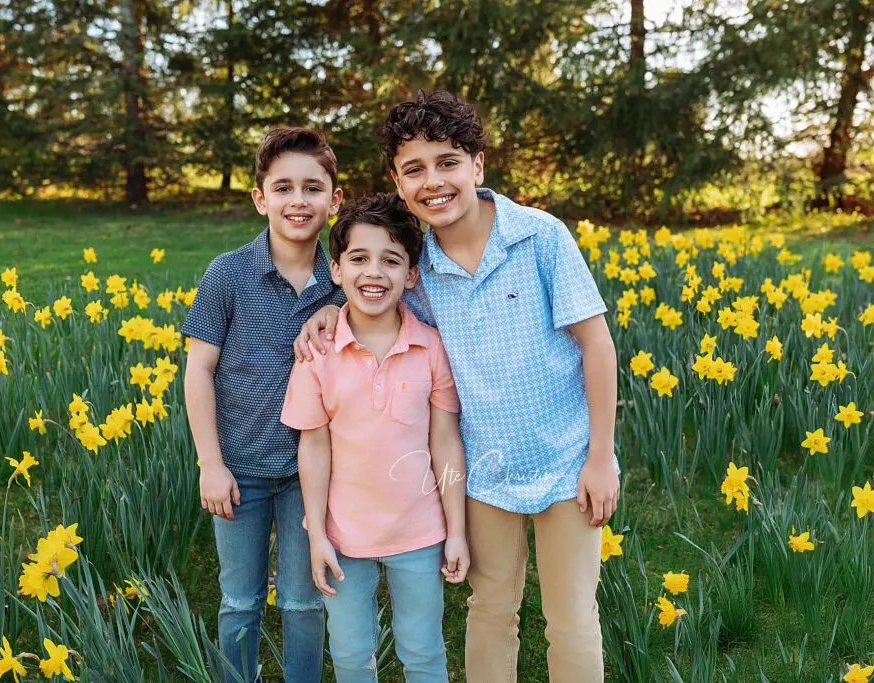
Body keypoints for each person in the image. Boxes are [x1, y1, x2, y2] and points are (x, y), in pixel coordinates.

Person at [295, 91, 621, 683]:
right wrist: (330, 310)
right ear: (397, 182)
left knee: (570, 618)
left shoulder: (540, 238)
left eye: (448, 162)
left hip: (566, 463)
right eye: (414, 170)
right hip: (481, 472)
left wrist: (600, 459)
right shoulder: (420, 269)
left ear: (477, 164)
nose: (433, 182)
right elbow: (378, 295)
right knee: (493, 609)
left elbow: (597, 346)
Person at [281, 192, 468, 683]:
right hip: (344, 536)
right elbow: (314, 447)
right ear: (337, 270)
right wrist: (317, 534)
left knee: (423, 651)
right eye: (359, 259)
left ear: (411, 275)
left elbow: (445, 442)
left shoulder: (429, 347)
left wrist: (457, 530)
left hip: (420, 532)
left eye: (391, 260)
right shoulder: (317, 353)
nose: (374, 273)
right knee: (350, 655)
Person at [182, 127, 345, 683]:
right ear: (260, 198)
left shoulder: (345, 284)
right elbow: (198, 370)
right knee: (240, 600)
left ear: (334, 199)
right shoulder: (226, 274)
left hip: (312, 474)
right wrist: (211, 463)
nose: (298, 201)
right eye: (283, 188)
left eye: (312, 188)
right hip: (239, 471)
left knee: (304, 602)